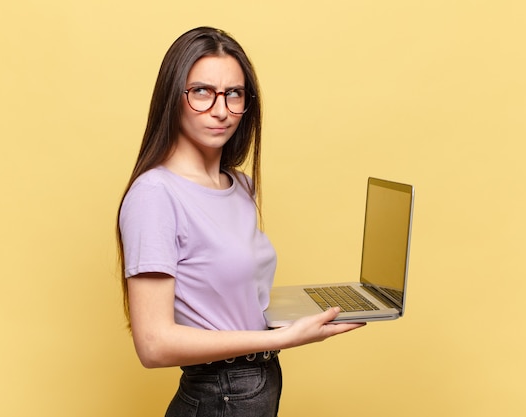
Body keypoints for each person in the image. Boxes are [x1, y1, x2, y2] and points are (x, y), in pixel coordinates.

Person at [117, 26, 365, 417]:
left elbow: (229, 291)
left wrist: (299, 313)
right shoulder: (155, 195)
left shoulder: (239, 186)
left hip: (256, 385)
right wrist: (282, 339)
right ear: (172, 98)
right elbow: (153, 345)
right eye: (201, 92)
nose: (221, 110)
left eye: (234, 93)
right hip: (221, 394)